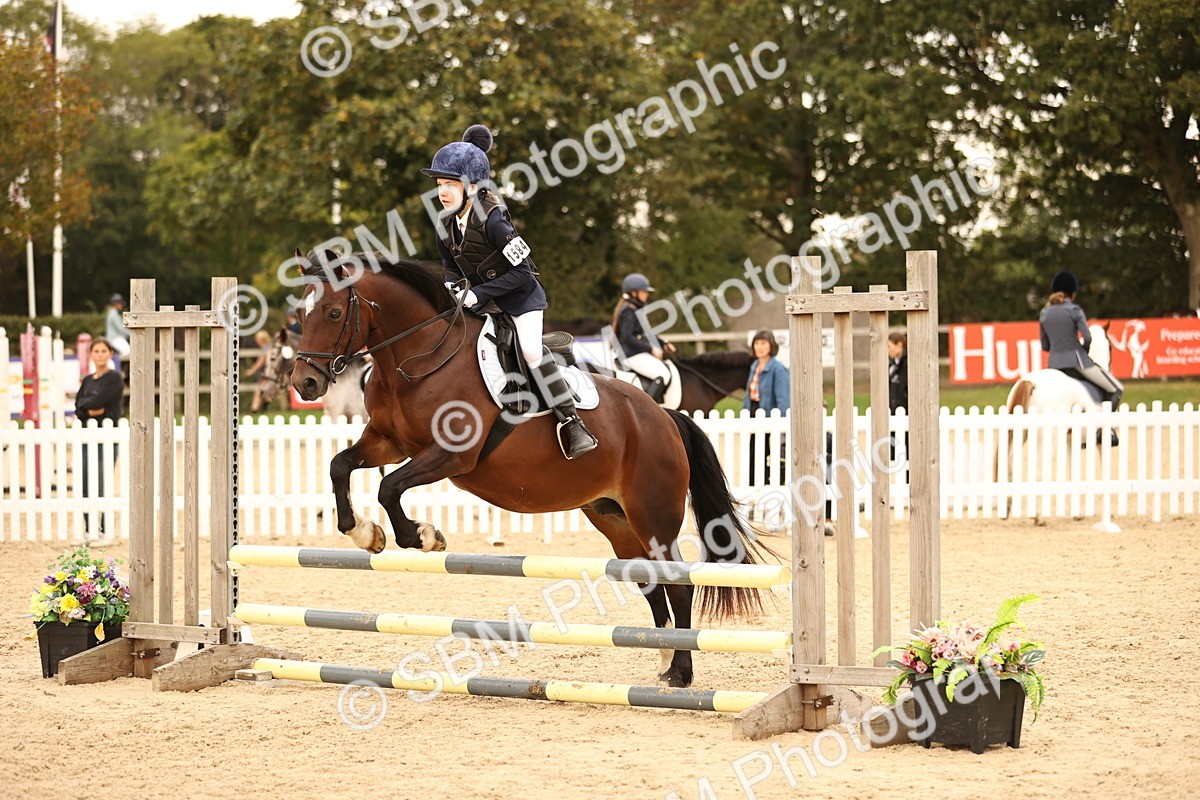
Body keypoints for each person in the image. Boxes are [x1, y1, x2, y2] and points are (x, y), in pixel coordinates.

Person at [422, 124, 597, 460]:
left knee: (530, 350)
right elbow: (449, 265)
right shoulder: (443, 223)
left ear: (472, 186)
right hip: (483, 302)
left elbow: (524, 271)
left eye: (450, 184)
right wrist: (451, 285)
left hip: (521, 300)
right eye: (440, 184)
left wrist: (478, 294)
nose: (442, 191)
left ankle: (573, 422)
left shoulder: (495, 221)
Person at [1040, 270, 1123, 444]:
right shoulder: (1074, 310)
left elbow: (1045, 346)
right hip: (1076, 361)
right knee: (1115, 389)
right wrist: (1083, 350)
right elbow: (1088, 337)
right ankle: (1103, 430)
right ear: (1073, 292)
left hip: (1054, 364)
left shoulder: (1045, 313)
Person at [75, 338, 125, 536]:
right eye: (96, 351)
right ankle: (89, 528)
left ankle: (105, 528)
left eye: (104, 350)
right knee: (86, 482)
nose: (100, 354)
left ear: (110, 353)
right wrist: (90, 410)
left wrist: (87, 405)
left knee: (103, 481)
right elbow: (78, 407)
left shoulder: (114, 378)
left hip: (107, 437)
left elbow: (100, 400)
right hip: (88, 437)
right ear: (91, 354)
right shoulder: (87, 380)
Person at [611, 273, 675, 402]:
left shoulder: (634, 310)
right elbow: (627, 337)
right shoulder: (628, 311)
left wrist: (663, 343)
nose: (647, 294)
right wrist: (651, 349)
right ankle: (647, 408)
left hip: (635, 353)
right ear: (634, 293)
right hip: (631, 355)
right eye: (644, 292)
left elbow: (646, 333)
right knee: (663, 374)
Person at [743, 330, 790, 486]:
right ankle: (754, 484)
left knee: (769, 454)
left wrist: (780, 424)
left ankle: (770, 483)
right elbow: (748, 394)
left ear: (771, 346)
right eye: (757, 343)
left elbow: (783, 399)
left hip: (770, 415)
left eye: (763, 343)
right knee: (753, 454)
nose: (760, 347)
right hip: (753, 412)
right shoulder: (754, 366)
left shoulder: (778, 369)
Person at [247, 330, 274, 413]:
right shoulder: (269, 346)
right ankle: (263, 406)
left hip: (265, 371)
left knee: (259, 389)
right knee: (262, 390)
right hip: (267, 371)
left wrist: (251, 371)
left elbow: (261, 361)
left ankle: (254, 409)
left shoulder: (266, 348)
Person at [105, 294, 132, 371]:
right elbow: (121, 328)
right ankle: (120, 371)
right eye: (120, 303)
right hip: (115, 338)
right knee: (128, 352)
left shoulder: (113, 313)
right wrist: (132, 334)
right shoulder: (113, 315)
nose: (121, 305)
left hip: (116, 338)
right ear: (115, 303)